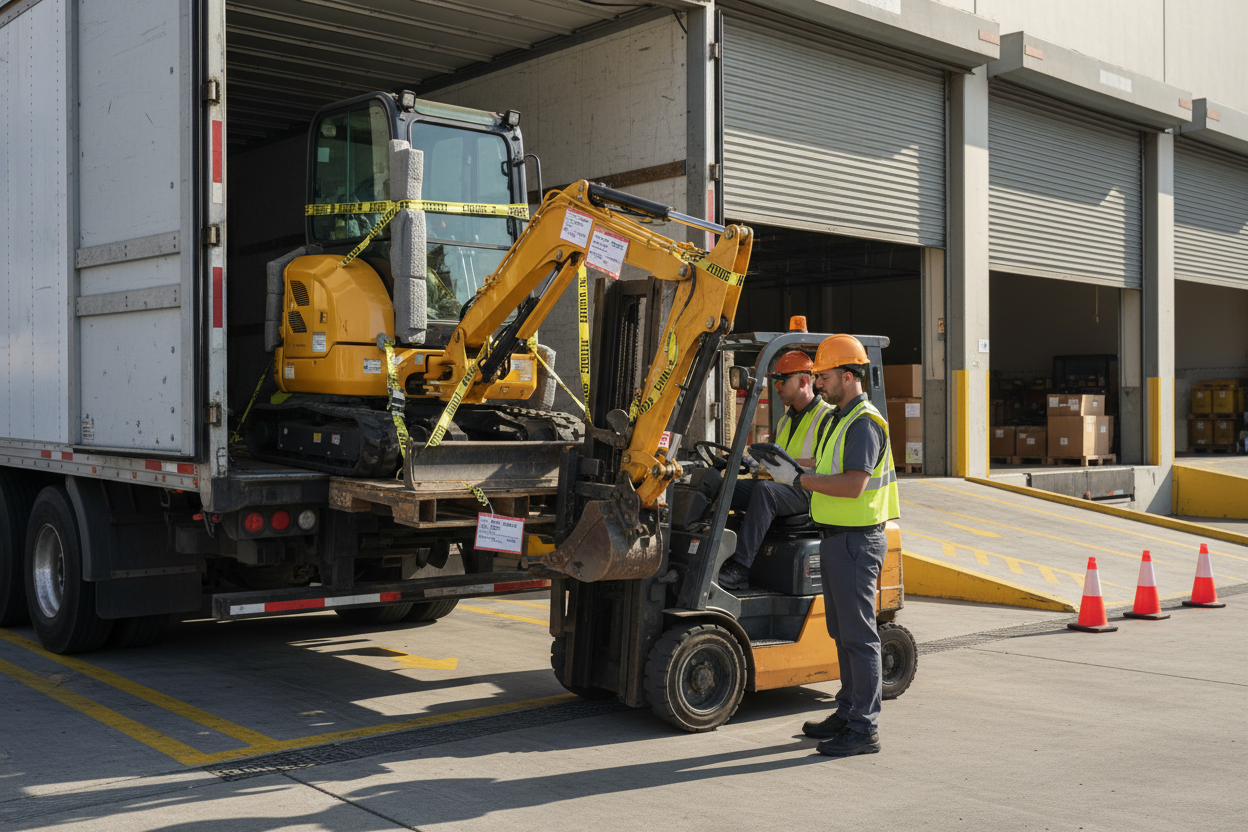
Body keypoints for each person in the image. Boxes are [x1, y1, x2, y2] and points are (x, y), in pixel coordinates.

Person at [796, 334, 900, 758]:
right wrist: (780, 467)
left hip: (857, 541)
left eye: (823, 376)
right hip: (838, 539)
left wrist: (797, 481)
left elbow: (854, 484)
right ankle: (848, 710)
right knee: (842, 631)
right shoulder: (840, 418)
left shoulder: (864, 423)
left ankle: (864, 728)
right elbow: (824, 468)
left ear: (847, 374)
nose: (819, 384)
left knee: (858, 636)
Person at [717, 350, 833, 590]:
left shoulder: (827, 417)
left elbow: (826, 464)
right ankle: (711, 553)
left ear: (803, 381)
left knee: (765, 492)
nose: (776, 386)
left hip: (810, 491)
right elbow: (775, 466)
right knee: (725, 487)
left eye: (782, 380)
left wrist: (789, 464)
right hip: (782, 488)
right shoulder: (784, 420)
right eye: (774, 381)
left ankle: (740, 567)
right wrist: (756, 464)